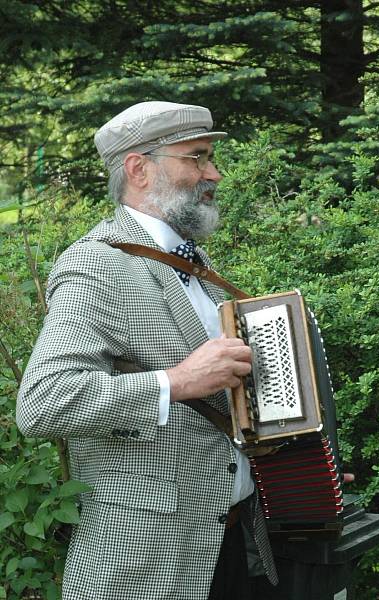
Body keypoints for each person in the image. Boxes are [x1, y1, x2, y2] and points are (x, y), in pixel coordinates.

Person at [17, 101, 277, 599]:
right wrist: (175, 382)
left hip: (229, 543)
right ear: (139, 168)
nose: (214, 174)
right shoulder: (95, 266)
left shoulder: (189, 257)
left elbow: (217, 405)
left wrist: (289, 453)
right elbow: (42, 404)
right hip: (145, 562)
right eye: (196, 158)